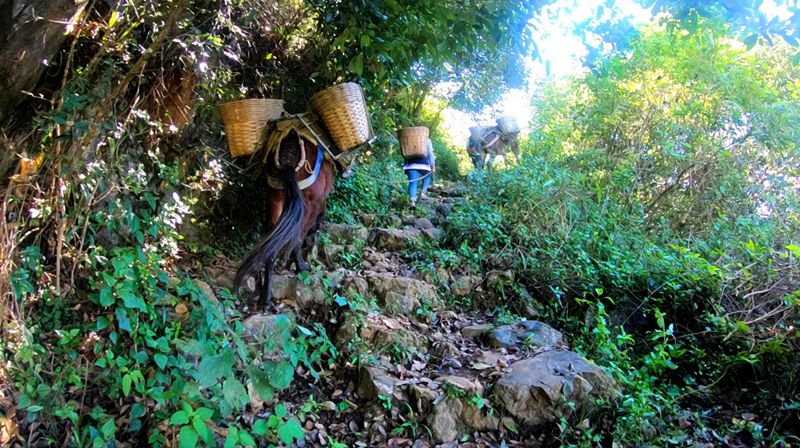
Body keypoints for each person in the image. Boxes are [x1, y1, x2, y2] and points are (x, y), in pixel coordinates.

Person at [403, 138, 435, 209]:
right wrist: (433, 165)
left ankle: (412, 202)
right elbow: (430, 153)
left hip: (411, 164)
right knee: (427, 176)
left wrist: (406, 163)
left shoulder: (408, 139)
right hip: (424, 165)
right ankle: (423, 193)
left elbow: (404, 153)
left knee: (413, 182)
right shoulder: (427, 140)